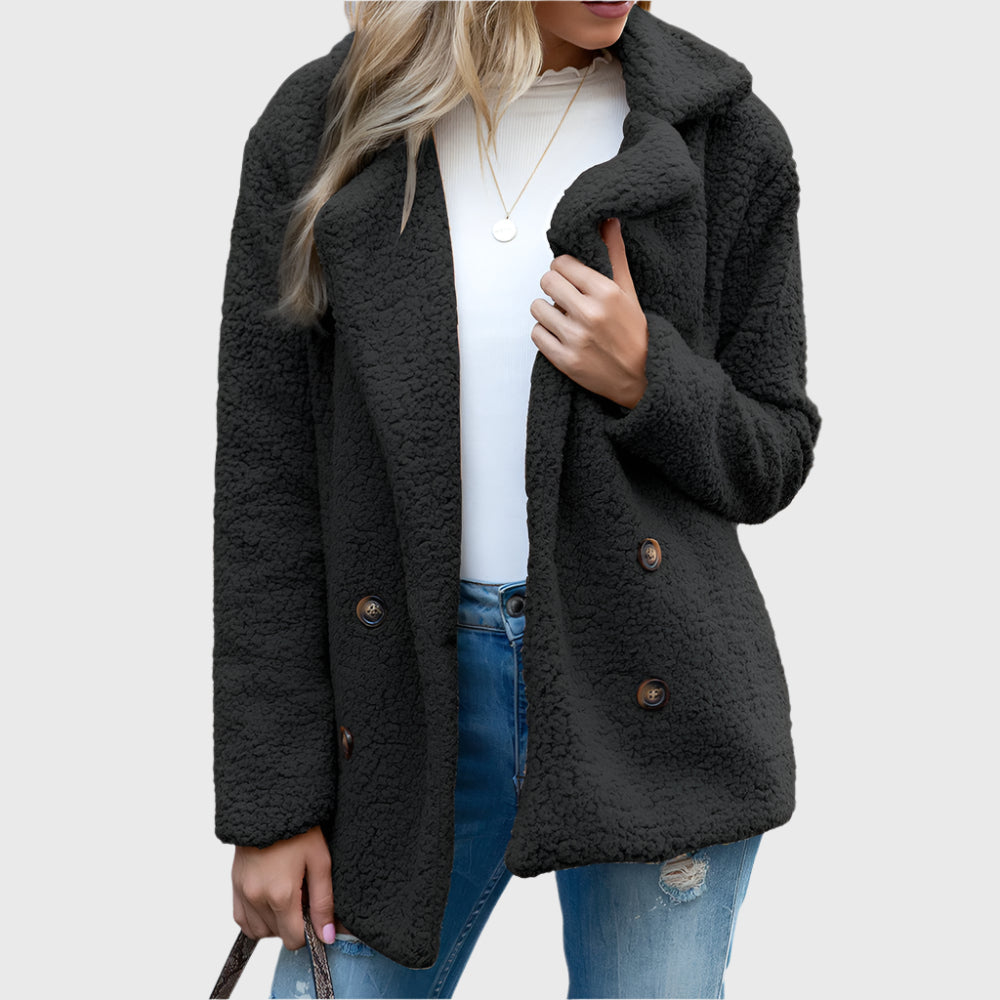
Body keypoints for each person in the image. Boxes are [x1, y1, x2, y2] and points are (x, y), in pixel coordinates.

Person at [212, 2, 821, 997]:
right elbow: (266, 492)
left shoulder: (723, 134)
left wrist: (649, 377)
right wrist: (272, 806)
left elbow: (774, 450)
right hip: (402, 700)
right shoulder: (325, 127)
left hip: (653, 697)